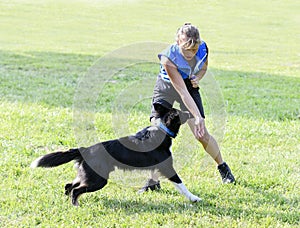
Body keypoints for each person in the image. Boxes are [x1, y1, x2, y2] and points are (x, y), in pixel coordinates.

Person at [139, 23, 235, 193]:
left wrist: (197, 77)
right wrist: (196, 116)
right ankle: (153, 180)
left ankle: (223, 168)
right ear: (177, 42)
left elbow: (203, 67)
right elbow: (181, 91)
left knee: (202, 134)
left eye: (194, 49)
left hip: (189, 86)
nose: (191, 54)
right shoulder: (168, 58)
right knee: (157, 131)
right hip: (167, 86)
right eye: (186, 50)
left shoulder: (203, 48)